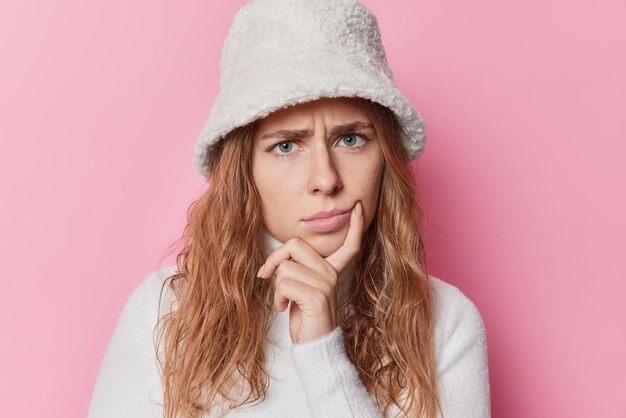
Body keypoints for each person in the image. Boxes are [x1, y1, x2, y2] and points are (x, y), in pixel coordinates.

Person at [87, 0, 491, 417]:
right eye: (286, 146)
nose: (326, 178)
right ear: (244, 172)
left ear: (385, 154)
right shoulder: (164, 311)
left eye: (350, 139)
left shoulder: (446, 323)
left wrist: (321, 351)